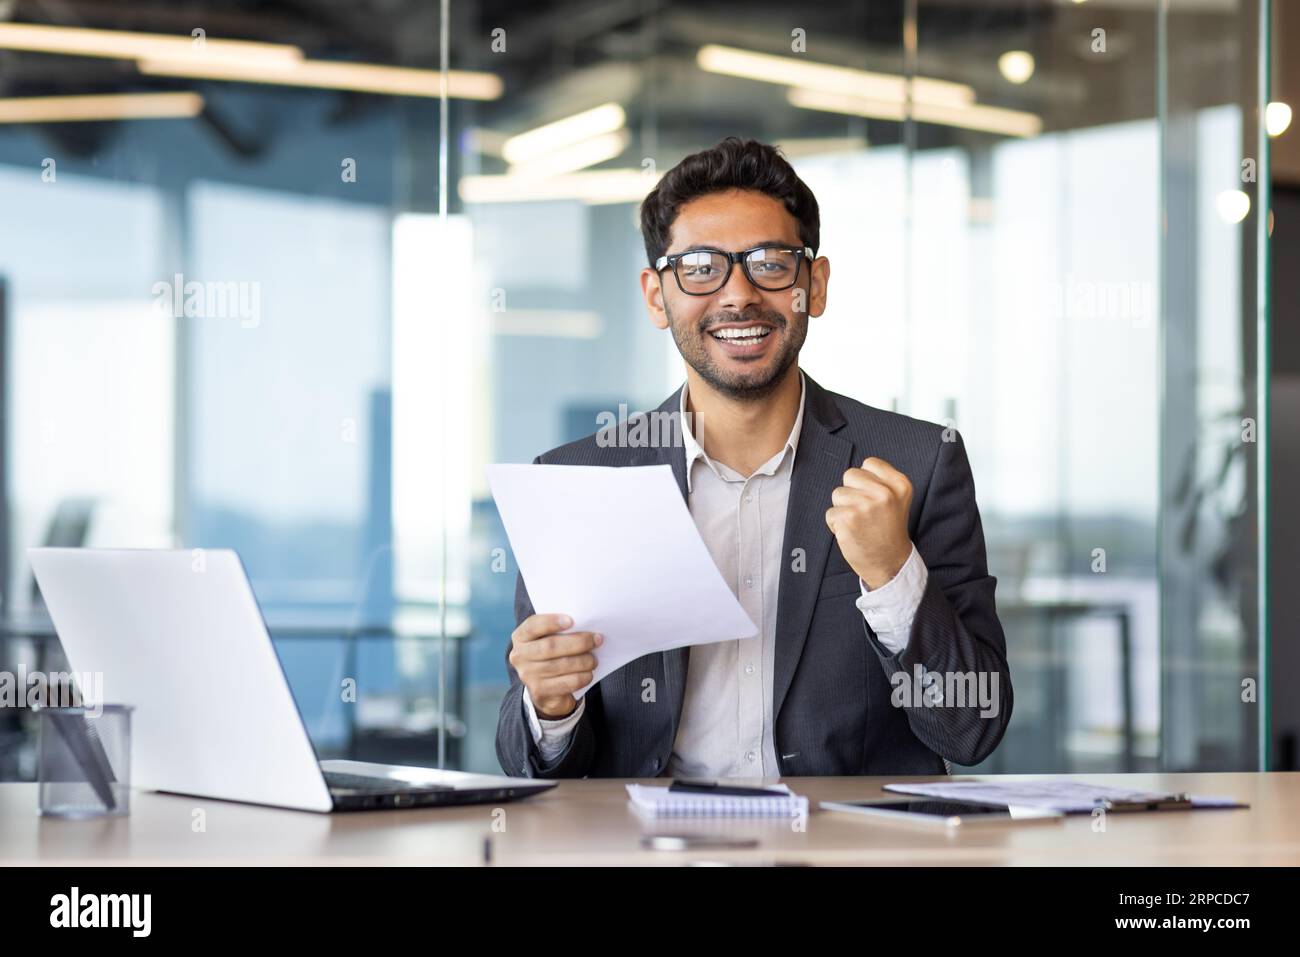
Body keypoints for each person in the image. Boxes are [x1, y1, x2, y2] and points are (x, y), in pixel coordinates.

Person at [496, 136, 1012, 779]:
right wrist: (548, 708)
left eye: (770, 263)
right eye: (701, 268)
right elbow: (526, 763)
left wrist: (893, 574)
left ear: (813, 286)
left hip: (843, 849)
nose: (738, 295)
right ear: (657, 297)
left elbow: (973, 729)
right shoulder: (577, 482)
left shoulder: (916, 463)